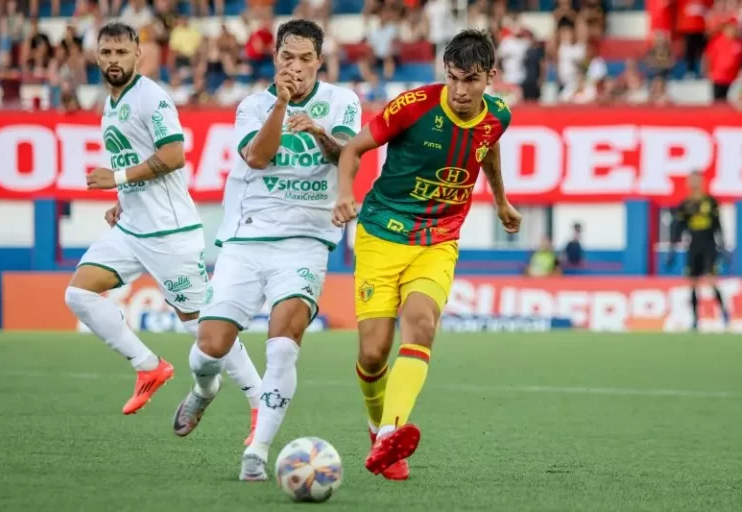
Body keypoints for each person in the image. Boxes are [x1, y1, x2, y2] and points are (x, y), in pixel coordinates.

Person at [171, 19, 362, 481]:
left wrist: (317, 130)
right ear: (275, 58)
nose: (295, 67)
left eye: (305, 59)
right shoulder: (252, 106)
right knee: (209, 346)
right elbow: (257, 158)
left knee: (282, 346)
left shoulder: (342, 101)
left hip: (305, 241)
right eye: (286, 58)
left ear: (319, 60)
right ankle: (204, 387)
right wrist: (281, 104)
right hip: (247, 237)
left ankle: (257, 451)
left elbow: (347, 154)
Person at [332, 29, 522, 480]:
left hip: (438, 239)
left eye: (471, 80)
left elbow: (488, 150)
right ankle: (378, 425)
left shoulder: (498, 116)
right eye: (453, 78)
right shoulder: (413, 106)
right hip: (382, 233)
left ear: (490, 77)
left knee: (421, 324)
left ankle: (388, 440)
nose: (459, 90)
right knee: (374, 353)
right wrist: (344, 194)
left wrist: (500, 200)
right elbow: (353, 150)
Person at [65, 22, 262, 420]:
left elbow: (174, 155)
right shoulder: (111, 102)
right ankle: (148, 366)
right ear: (96, 56)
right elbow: (132, 155)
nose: (114, 60)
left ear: (138, 54)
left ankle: (259, 400)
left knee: (206, 331)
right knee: (79, 294)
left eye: (122, 52)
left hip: (169, 235)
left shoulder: (150, 98)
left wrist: (117, 179)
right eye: (106, 53)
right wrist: (123, 199)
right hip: (132, 228)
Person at [666, 171, 730, 330]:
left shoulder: (710, 202)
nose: (694, 184)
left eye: (697, 180)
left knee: (711, 280)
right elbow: (678, 229)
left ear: (702, 182)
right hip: (693, 246)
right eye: (691, 181)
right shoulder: (685, 205)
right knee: (693, 283)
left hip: (709, 246)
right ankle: (695, 320)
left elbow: (718, 225)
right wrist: (672, 251)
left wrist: (722, 247)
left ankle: (724, 315)